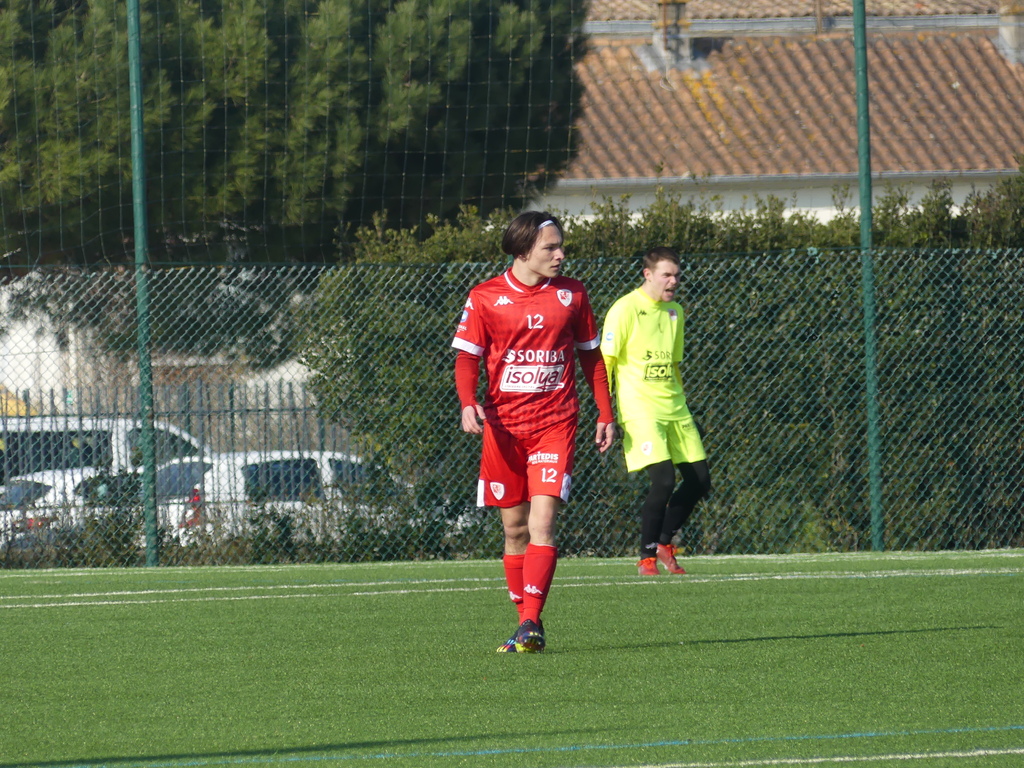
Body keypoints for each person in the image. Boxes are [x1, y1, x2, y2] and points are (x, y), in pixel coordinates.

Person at [453, 211, 615, 653]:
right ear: (523, 250)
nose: (561, 255)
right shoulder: (485, 297)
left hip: (555, 424)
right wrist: (469, 402)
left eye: (561, 246)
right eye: (551, 247)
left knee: (543, 522)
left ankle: (530, 624)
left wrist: (605, 412)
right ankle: (521, 623)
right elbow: (467, 358)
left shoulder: (572, 294)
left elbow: (591, 357)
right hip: (504, 427)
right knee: (515, 530)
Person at [600, 246, 711, 576]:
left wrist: (682, 404)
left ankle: (665, 542)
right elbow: (605, 362)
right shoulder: (625, 309)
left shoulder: (675, 311)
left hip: (675, 407)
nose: (673, 281)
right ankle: (646, 556)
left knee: (699, 480)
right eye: (666, 274)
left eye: (676, 274)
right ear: (647, 275)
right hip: (639, 408)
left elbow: (674, 365)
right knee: (663, 480)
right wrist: (605, 414)